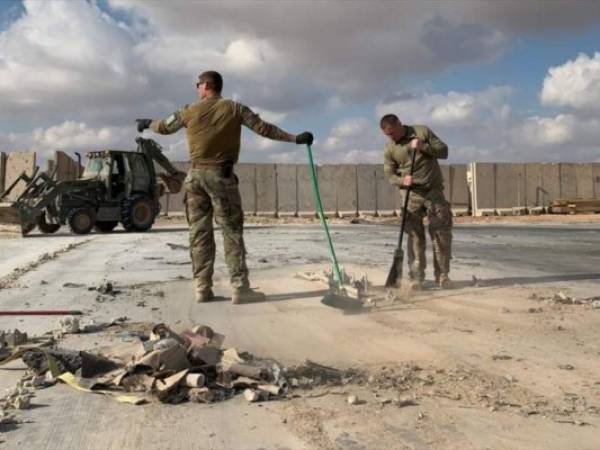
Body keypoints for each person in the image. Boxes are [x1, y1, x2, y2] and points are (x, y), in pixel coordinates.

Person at [136, 71, 313, 304]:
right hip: (221, 178)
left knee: (199, 234)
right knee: (231, 232)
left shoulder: (189, 111)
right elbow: (264, 128)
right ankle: (240, 288)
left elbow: (164, 126)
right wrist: (295, 139)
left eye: (198, 85)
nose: (197, 89)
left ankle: (202, 288)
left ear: (207, 86)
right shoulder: (235, 109)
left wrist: (148, 123)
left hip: (195, 178)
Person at [380, 114, 452, 290]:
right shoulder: (390, 149)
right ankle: (416, 278)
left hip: (433, 191)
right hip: (411, 195)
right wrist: (402, 181)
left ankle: (442, 275)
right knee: (414, 238)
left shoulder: (422, 132)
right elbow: (389, 175)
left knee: (441, 235)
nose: (392, 137)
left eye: (393, 133)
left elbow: (444, 151)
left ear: (399, 124)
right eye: (388, 135)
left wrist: (424, 147)